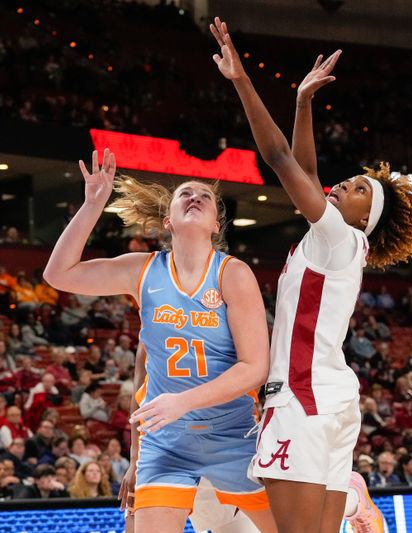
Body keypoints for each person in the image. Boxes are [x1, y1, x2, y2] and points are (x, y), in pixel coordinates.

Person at [210, 19, 412, 532]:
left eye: (356, 189)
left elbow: (281, 159)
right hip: (331, 398)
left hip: (301, 398)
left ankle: (355, 507)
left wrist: (241, 79)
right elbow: (307, 172)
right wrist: (303, 102)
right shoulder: (337, 241)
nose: (341, 184)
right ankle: (354, 505)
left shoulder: (340, 238)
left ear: (363, 219)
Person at [43, 147, 275, 532]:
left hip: (235, 436)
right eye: (185, 193)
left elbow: (255, 368)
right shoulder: (144, 269)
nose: (195, 197)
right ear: (168, 220)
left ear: (217, 224)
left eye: (205, 196)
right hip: (167, 443)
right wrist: (92, 207)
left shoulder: (233, 274)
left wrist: (182, 402)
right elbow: (59, 274)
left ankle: (348, 501)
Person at [120, 343, 260, 533]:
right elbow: (139, 400)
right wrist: (134, 459)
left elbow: (256, 373)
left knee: (237, 527)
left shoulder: (236, 322)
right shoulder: (151, 323)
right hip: (166, 446)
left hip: (227, 443)